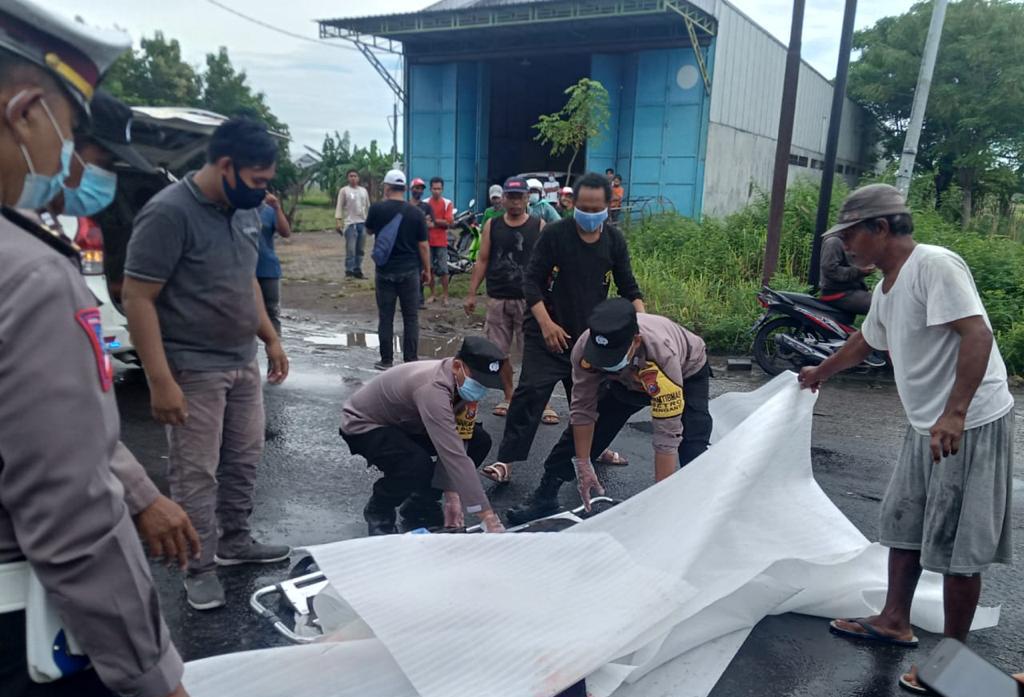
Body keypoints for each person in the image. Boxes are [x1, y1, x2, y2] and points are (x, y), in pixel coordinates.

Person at [0, 3, 189, 696]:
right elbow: (68, 508)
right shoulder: (27, 271)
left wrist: (137, 489)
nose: (74, 162)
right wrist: (152, 672)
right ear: (25, 112)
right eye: (73, 133)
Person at [797, 184, 1015, 695]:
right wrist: (820, 372)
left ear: (882, 228)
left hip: (970, 421)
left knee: (959, 545)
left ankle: (955, 663)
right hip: (927, 424)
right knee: (905, 524)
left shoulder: (935, 265)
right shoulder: (888, 287)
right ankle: (895, 619)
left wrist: (956, 412)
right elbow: (867, 341)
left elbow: (977, 334)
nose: (846, 245)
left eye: (852, 234)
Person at [123, 117, 292, 612]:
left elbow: (247, 283)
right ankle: (198, 566)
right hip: (192, 368)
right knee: (196, 472)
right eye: (258, 181)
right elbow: (137, 297)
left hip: (242, 361)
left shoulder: (245, 211)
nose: (264, 192)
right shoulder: (169, 213)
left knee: (243, 459)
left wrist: (272, 339)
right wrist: (159, 380)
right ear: (225, 166)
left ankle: (235, 541)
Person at [481, 172, 645, 484]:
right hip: (547, 331)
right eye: (584, 206)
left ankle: (596, 451)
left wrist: (646, 325)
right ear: (572, 204)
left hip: (587, 338)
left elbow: (629, 288)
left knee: (592, 400)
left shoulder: (614, 241)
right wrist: (546, 324)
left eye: (597, 207)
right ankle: (506, 461)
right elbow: (531, 281)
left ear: (609, 206)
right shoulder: (556, 234)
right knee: (530, 394)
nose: (590, 213)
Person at [507, 299, 712, 523]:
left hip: (686, 371)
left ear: (635, 342)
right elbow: (582, 410)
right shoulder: (585, 348)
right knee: (589, 431)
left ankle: (698, 510)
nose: (602, 364)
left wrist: (659, 508)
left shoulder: (663, 356)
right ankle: (545, 495)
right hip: (624, 379)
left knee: (693, 443)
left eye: (610, 358)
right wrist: (583, 464)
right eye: (600, 358)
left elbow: (667, 436)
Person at [340, 336, 508, 535]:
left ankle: (421, 501)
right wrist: (486, 516)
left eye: (486, 383)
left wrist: (452, 497)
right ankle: (379, 509)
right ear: (457, 366)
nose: (482, 387)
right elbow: (453, 455)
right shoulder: (432, 388)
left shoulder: (464, 385)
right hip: (366, 424)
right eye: (478, 380)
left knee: (478, 441)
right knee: (415, 465)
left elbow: (461, 437)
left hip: (410, 423)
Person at [463, 176, 544, 417]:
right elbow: (483, 259)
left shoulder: (539, 226)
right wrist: (471, 293)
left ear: (527, 198)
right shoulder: (493, 225)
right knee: (498, 352)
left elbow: (546, 264)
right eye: (511, 196)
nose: (515, 202)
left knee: (532, 351)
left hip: (528, 300)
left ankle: (538, 401)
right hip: (498, 297)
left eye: (520, 197)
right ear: (504, 198)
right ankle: (509, 396)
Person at [366, 169, 430, 370]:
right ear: (404, 189)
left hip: (384, 271)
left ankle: (386, 360)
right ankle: (410, 361)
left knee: (386, 316)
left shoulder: (377, 209)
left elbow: (369, 230)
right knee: (410, 317)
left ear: (386, 187)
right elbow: (423, 245)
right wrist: (427, 269)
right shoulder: (417, 213)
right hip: (410, 271)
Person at [256, 191, 292, 336]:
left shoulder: (269, 211)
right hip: (243, 270)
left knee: (272, 312)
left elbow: (285, 232)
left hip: (267, 269)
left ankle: (275, 354)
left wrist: (277, 208)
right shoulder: (237, 210)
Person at [818, 232, 874, 316]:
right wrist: (859, 271)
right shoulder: (833, 242)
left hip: (850, 291)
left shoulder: (847, 240)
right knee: (881, 306)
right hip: (837, 293)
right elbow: (830, 270)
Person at [335, 168, 369, 279]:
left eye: (355, 176)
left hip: (362, 223)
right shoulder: (344, 191)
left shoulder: (363, 191)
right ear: (347, 178)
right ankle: (349, 271)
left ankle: (357, 270)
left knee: (360, 249)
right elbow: (339, 206)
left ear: (358, 178)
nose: (353, 178)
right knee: (351, 249)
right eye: (351, 176)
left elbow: (368, 206)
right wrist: (338, 221)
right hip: (350, 224)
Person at [425, 176, 453, 304]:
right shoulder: (425, 203)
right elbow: (423, 222)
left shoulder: (447, 203)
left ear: (442, 189)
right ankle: (433, 294)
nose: (437, 191)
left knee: (443, 269)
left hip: (441, 241)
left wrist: (433, 221)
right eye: (434, 188)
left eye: (439, 189)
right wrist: (439, 222)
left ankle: (446, 295)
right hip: (428, 241)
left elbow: (448, 222)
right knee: (429, 268)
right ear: (430, 189)